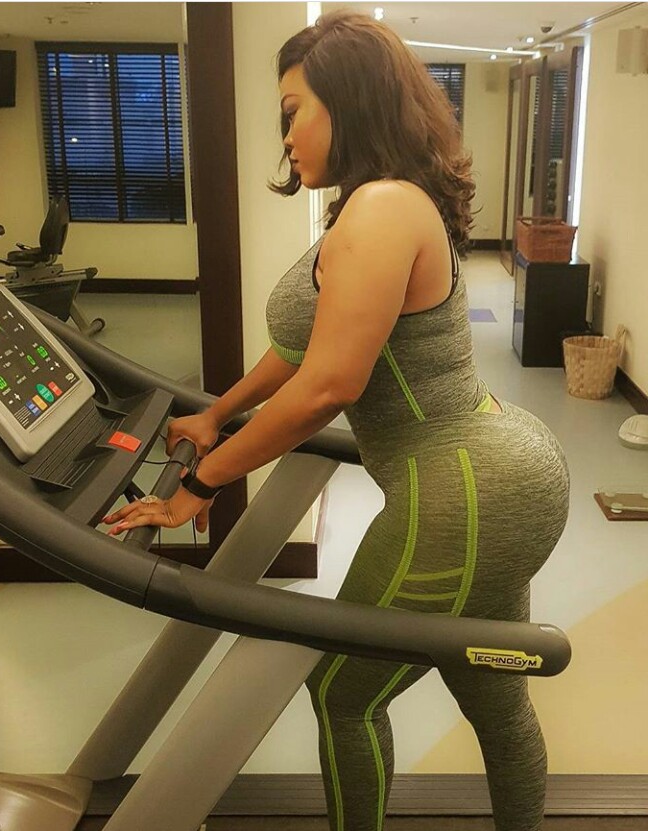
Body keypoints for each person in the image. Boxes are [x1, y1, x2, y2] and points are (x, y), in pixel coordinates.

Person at [104, 11, 570, 831]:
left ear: (349, 102)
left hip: (462, 485)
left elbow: (327, 386)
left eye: (294, 111)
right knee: (493, 695)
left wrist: (199, 487)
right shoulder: (374, 202)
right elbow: (300, 349)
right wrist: (218, 415)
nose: (285, 136)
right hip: (492, 468)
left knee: (343, 695)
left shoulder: (382, 208)